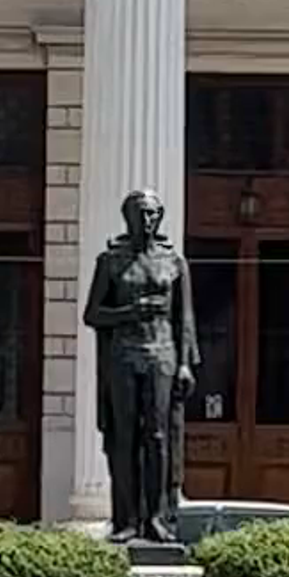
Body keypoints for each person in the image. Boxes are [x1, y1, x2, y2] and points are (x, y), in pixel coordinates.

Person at [84, 189, 193, 547]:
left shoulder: (174, 262)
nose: (146, 221)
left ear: (159, 218)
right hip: (123, 357)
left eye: (152, 214)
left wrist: (186, 365)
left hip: (162, 356)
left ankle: (158, 519)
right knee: (125, 438)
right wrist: (129, 313)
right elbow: (93, 314)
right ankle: (127, 521)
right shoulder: (110, 261)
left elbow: (184, 319)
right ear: (127, 217)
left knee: (159, 438)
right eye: (140, 213)